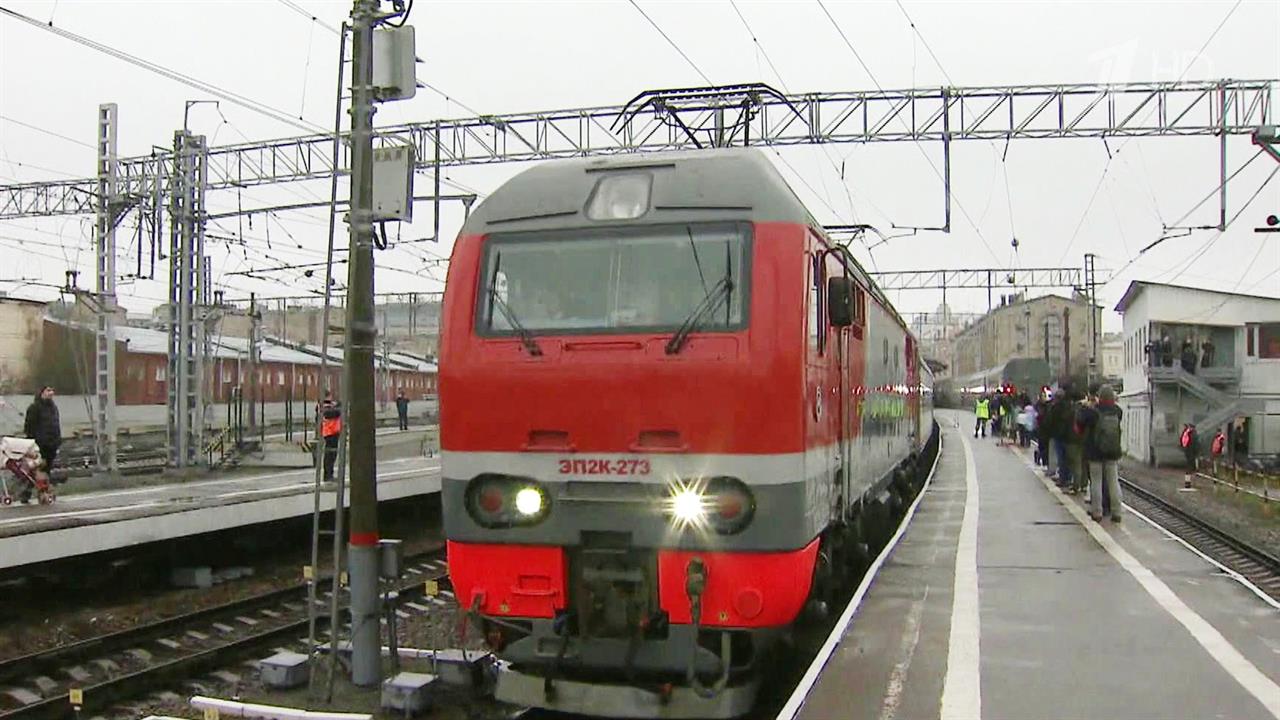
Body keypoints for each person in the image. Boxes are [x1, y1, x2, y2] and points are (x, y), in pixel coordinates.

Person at [1078, 384, 1124, 522]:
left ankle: (1097, 512)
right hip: (1113, 452)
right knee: (1113, 482)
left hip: (1095, 452)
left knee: (1096, 482)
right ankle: (1117, 512)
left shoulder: (1093, 412)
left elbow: (1080, 422)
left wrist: (1087, 405)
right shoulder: (1118, 411)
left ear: (1100, 397)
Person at [23, 386, 61, 500]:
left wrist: (58, 440)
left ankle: (37, 492)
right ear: (41, 393)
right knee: (38, 468)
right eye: (48, 391)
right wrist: (32, 441)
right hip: (39, 444)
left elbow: (56, 425)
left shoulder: (53, 408)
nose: (51, 393)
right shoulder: (34, 408)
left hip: (52, 444)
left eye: (52, 390)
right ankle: (31, 492)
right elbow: (29, 426)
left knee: (45, 469)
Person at [319, 392, 342, 482]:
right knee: (329, 455)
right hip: (329, 433)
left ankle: (330, 474)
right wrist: (340, 408)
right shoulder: (324, 406)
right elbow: (332, 413)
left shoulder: (330, 405)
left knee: (332, 455)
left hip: (333, 432)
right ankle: (327, 475)